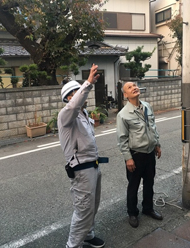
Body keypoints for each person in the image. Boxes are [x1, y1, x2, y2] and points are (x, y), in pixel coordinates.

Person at [58, 64, 105, 248]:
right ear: (70, 97)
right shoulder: (66, 115)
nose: (81, 94)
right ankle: (72, 245)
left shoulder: (83, 114)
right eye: (77, 92)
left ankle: (88, 235)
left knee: (93, 205)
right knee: (83, 208)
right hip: (81, 170)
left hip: (93, 165)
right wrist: (88, 83)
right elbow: (74, 105)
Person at [116, 81, 163, 228]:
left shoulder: (147, 106)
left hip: (149, 153)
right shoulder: (123, 115)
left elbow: (153, 127)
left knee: (149, 183)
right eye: (130, 87)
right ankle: (132, 213)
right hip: (136, 155)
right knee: (133, 185)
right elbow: (122, 139)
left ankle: (148, 208)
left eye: (135, 85)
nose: (134, 88)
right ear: (125, 95)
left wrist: (157, 144)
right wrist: (128, 158)